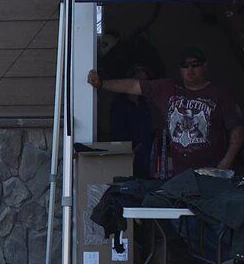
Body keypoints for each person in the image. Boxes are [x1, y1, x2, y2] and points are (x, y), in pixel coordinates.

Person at [88, 47, 243, 177]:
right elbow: (132, 86)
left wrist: (224, 165)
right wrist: (101, 84)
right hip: (181, 176)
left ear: (205, 66)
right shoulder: (168, 88)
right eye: (185, 65)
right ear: (180, 69)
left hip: (213, 174)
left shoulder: (220, 94)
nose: (190, 69)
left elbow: (237, 129)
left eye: (195, 64)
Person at [108, 64, 155, 178]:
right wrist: (130, 148)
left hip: (146, 155)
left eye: (145, 81)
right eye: (139, 80)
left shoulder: (146, 104)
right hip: (126, 155)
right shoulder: (119, 105)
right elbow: (117, 131)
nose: (142, 84)